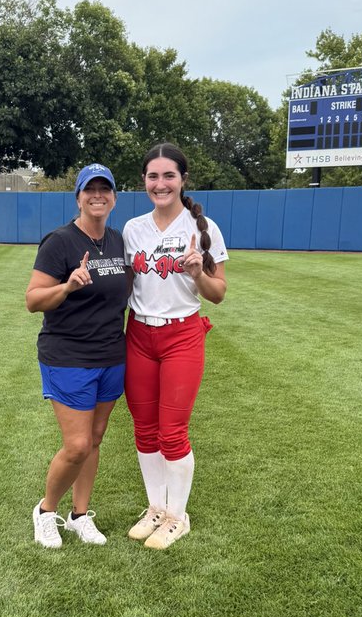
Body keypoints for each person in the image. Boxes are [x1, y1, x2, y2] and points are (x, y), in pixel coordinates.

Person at [122, 143, 228, 549]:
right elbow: (125, 285)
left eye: (169, 175)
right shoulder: (133, 229)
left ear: (183, 180)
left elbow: (217, 294)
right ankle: (156, 507)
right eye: (153, 176)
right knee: (144, 429)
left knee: (172, 432)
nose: (160, 183)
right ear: (144, 181)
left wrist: (199, 274)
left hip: (182, 334)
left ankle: (177, 516)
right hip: (139, 335)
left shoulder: (203, 228)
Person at [25, 164, 128, 548]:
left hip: (111, 355)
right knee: (77, 445)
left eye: (105, 189)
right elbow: (33, 300)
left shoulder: (118, 242)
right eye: (90, 190)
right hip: (67, 356)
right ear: (79, 196)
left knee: (96, 438)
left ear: (114, 197)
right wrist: (67, 286)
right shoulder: (60, 242)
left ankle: (80, 515)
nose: (98, 196)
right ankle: (46, 510)